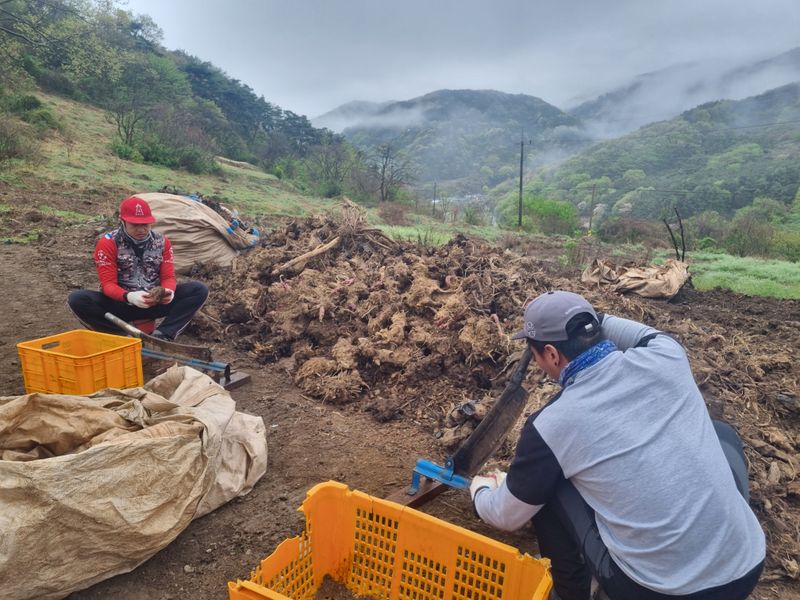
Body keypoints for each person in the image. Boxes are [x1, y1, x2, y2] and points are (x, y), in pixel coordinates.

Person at [470, 290, 765, 600]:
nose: (540, 365)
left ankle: (574, 595)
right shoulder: (667, 355)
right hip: (745, 566)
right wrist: (585, 319)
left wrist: (481, 492)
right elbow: (633, 331)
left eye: (537, 356)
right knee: (721, 433)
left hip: (659, 592)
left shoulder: (552, 424)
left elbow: (507, 515)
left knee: (549, 486)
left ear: (553, 355)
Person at [68, 196, 208, 341]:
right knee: (77, 299)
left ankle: (163, 336)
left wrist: (168, 291)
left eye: (145, 224)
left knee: (198, 290)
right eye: (135, 225)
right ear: (123, 222)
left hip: (152, 302)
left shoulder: (162, 242)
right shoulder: (108, 243)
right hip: (119, 304)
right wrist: (128, 296)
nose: (141, 230)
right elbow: (108, 284)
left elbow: (168, 277)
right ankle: (121, 336)